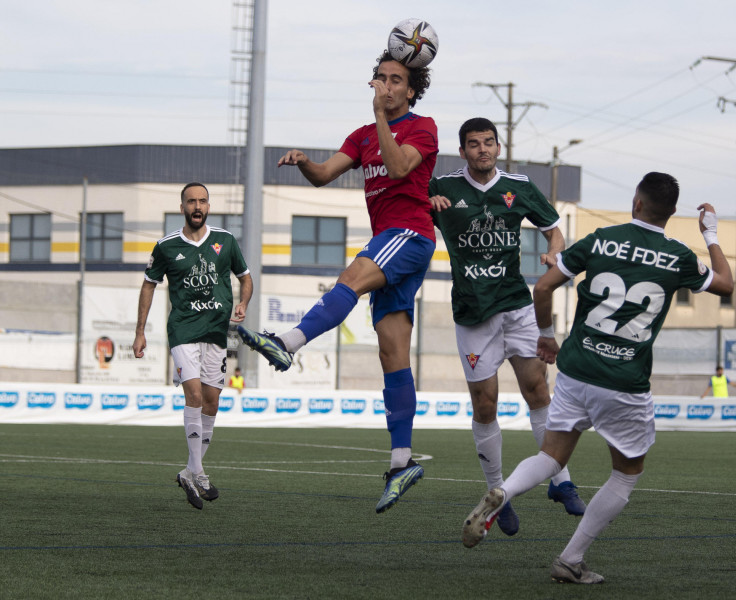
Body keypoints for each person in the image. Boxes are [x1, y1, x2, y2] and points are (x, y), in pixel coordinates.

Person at [461, 172, 734, 584]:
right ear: (671, 213)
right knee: (625, 475)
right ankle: (570, 559)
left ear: (636, 203)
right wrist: (710, 233)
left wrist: (547, 338)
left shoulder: (600, 239)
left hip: (576, 369)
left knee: (551, 457)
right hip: (624, 382)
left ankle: (506, 492)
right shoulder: (678, 256)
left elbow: (542, 289)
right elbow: (727, 285)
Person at [236, 51, 437, 513]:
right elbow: (325, 176)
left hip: (409, 234)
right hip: (389, 240)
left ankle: (287, 341)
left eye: (395, 80)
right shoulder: (362, 136)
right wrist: (306, 162)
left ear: (410, 90)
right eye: (380, 78)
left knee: (351, 275)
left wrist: (381, 119)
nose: (385, 86)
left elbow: (401, 167)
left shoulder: (422, 127)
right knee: (392, 352)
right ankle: (402, 461)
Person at [428, 117, 586, 536]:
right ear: (461, 151)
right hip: (472, 313)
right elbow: (406, 211)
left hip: (517, 307)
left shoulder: (519, 186)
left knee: (538, 391)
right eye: (473, 144)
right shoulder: (442, 188)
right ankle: (496, 494)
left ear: (498, 147)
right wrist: (426, 207)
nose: (482, 150)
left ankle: (561, 481)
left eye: (488, 143)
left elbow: (555, 231)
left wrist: (554, 254)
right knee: (486, 406)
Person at [133, 182, 252, 510]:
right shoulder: (167, 246)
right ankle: (198, 471)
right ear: (182, 206)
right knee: (195, 395)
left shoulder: (225, 241)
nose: (197, 206)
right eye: (191, 202)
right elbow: (148, 285)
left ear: (208, 206)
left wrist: (243, 303)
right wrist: (140, 331)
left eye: (202, 201)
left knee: (212, 402)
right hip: (184, 330)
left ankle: (189, 471)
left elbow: (246, 277)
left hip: (217, 333)